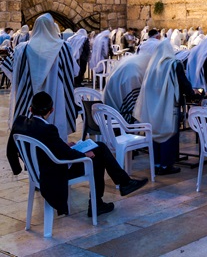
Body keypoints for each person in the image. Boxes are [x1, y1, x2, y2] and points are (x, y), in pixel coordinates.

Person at [7, 91, 147, 217]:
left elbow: (11, 150)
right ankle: (102, 200)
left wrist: (17, 169)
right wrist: (84, 155)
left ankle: (122, 184)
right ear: (51, 110)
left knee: (99, 148)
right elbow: (64, 155)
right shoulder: (48, 129)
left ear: (30, 109)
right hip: (53, 173)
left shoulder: (20, 123)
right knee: (97, 158)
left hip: (38, 171)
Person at [8, 13, 78, 141]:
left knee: (31, 134)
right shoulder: (64, 48)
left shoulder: (22, 49)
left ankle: (31, 147)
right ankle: (56, 147)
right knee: (56, 128)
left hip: (29, 96)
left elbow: (13, 73)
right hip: (56, 95)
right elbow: (74, 72)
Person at [133, 39, 199, 175]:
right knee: (169, 132)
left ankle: (157, 163)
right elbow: (183, 83)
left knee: (155, 132)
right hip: (169, 104)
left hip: (153, 105)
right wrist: (193, 95)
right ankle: (166, 165)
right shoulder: (174, 64)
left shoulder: (152, 65)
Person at [103, 29, 162, 123]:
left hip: (108, 112)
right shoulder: (134, 75)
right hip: (120, 118)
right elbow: (133, 102)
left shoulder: (140, 49)